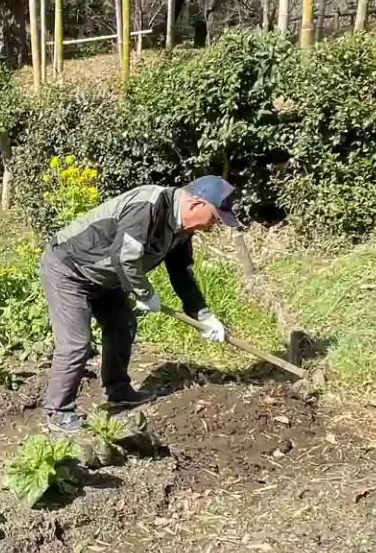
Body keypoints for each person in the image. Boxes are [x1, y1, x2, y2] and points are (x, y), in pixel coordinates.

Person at [40, 175, 240, 432]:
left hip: (106, 277)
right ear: (196, 204)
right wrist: (144, 293)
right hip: (69, 269)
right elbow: (124, 256)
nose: (213, 225)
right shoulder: (148, 206)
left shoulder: (182, 230)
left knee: (122, 326)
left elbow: (181, 273)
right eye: (214, 217)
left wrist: (203, 315)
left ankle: (118, 390)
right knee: (76, 342)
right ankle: (58, 411)